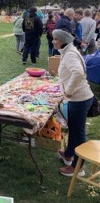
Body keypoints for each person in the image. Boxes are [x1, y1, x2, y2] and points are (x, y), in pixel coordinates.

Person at [52, 30, 95, 176]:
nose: (53, 41)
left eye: (55, 39)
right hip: (76, 98)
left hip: (79, 99)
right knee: (73, 128)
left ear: (63, 41)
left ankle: (78, 167)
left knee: (78, 132)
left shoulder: (70, 54)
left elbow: (78, 73)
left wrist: (68, 91)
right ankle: (69, 154)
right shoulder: (68, 51)